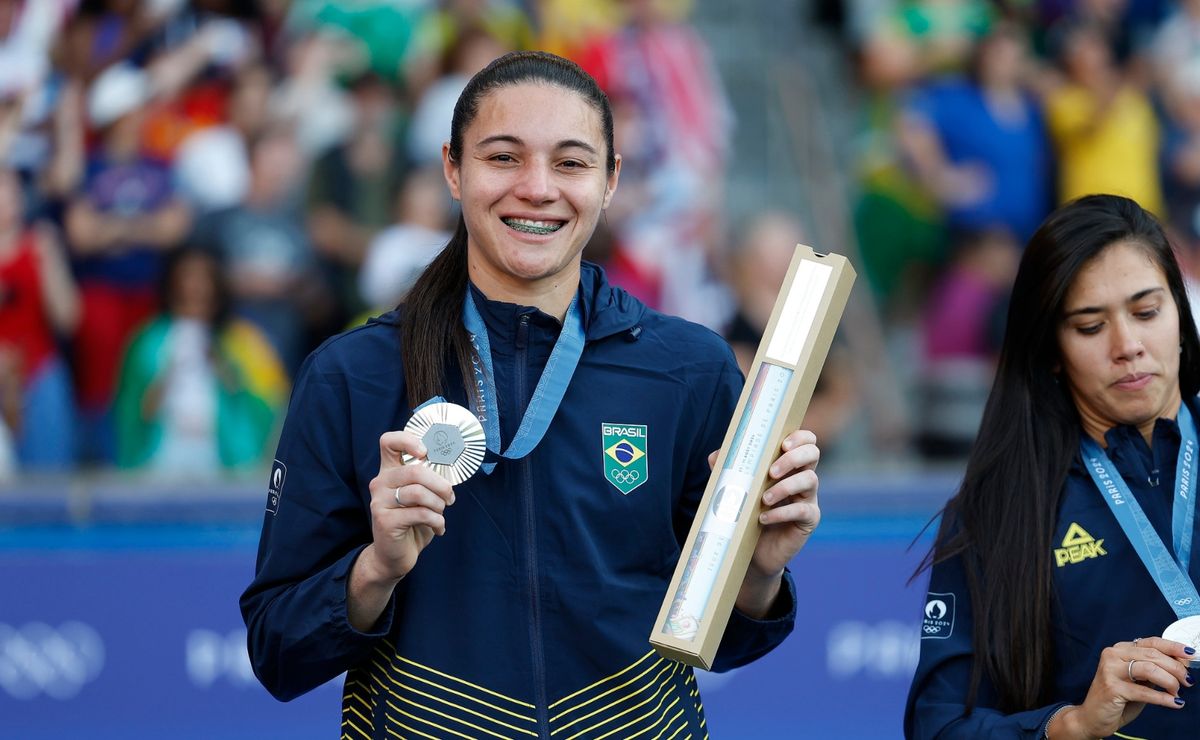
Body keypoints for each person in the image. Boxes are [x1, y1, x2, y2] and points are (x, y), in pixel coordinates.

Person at [241, 51, 822, 739]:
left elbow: (729, 640)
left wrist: (754, 574)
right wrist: (375, 570)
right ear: (453, 170)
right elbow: (278, 650)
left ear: (610, 182)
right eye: (503, 158)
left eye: (571, 163)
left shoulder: (686, 369)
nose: (538, 188)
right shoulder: (351, 376)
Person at [906, 194, 1200, 738]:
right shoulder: (997, 509)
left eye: (1146, 312)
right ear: (1051, 352)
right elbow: (938, 726)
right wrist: (1071, 726)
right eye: (1090, 326)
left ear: (1181, 316)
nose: (1128, 345)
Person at [113, 246, 287, 475]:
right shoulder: (148, 342)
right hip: (159, 462)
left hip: (222, 462)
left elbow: (268, 404)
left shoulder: (241, 342)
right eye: (187, 277)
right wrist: (167, 376)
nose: (195, 287)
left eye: (203, 278)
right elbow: (131, 408)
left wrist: (227, 374)